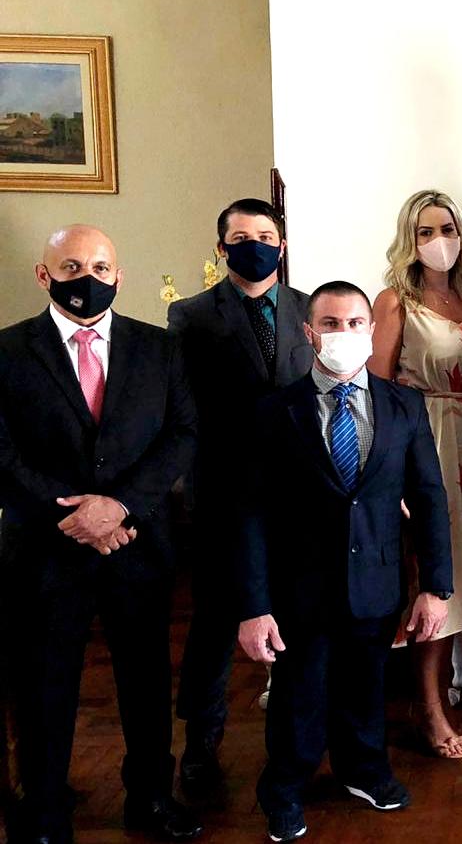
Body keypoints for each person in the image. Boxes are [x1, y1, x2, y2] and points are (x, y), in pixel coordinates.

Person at [0, 225, 201, 842]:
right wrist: (75, 516)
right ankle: (44, 809)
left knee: (146, 680)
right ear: (44, 275)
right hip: (44, 548)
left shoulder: (159, 348)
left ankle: (151, 798)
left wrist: (119, 506)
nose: (87, 277)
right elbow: (2, 452)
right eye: (71, 266)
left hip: (135, 543)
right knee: (43, 684)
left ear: (119, 275)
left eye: (100, 266)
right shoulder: (7, 351)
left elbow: (182, 434)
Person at [237, 281, 453, 843]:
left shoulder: (405, 405)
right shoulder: (274, 412)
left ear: (372, 330)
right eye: (331, 324)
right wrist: (254, 606)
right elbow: (253, 514)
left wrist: (436, 587)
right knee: (300, 694)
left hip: (376, 580)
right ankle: (284, 788)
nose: (344, 333)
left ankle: (364, 770)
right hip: (300, 589)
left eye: (355, 323)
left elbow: (429, 496)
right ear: (309, 333)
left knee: (366, 686)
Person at [169, 198, 312, 793]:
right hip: (224, 495)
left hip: (299, 495)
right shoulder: (191, 315)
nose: (254, 245)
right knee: (215, 623)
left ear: (281, 244)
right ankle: (201, 745)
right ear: (221, 246)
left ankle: (297, 744)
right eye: (240, 237)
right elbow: (182, 408)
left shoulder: (309, 308)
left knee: (299, 616)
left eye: (265, 236)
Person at [368, 189, 462, 760]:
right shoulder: (396, 301)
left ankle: (440, 692)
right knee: (433, 577)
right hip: (425, 445)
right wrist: (389, 475)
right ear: (409, 241)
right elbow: (376, 393)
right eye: (425, 232)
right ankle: (429, 706)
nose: (438, 241)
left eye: (447, 229)